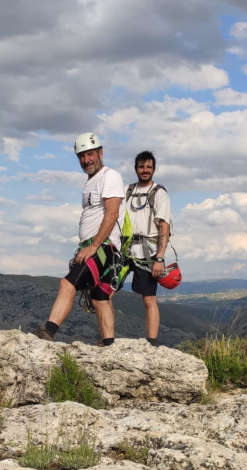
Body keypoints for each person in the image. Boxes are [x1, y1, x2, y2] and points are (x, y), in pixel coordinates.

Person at [34, 132, 125, 346]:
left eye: (90, 154)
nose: (86, 160)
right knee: (100, 296)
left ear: (100, 152)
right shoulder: (91, 182)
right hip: (98, 247)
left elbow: (112, 214)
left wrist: (93, 246)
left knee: (67, 284)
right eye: (81, 156)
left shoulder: (110, 176)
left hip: (102, 247)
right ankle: (109, 344)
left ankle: (48, 331)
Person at [124, 150, 171, 346]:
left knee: (149, 299)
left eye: (149, 167)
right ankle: (106, 337)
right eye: (142, 167)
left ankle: (151, 342)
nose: (145, 170)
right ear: (136, 168)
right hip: (125, 249)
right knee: (105, 291)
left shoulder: (159, 193)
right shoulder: (128, 191)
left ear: (153, 169)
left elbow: (164, 226)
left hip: (147, 252)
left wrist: (160, 257)